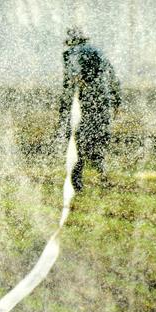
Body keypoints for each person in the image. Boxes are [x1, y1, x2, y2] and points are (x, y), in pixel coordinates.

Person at [59, 27, 121, 191]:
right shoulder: (98, 52)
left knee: (77, 139)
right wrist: (116, 101)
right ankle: (102, 174)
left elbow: (71, 81)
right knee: (98, 137)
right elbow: (112, 78)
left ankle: (77, 181)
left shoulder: (70, 54)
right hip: (102, 100)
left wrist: (64, 108)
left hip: (84, 101)